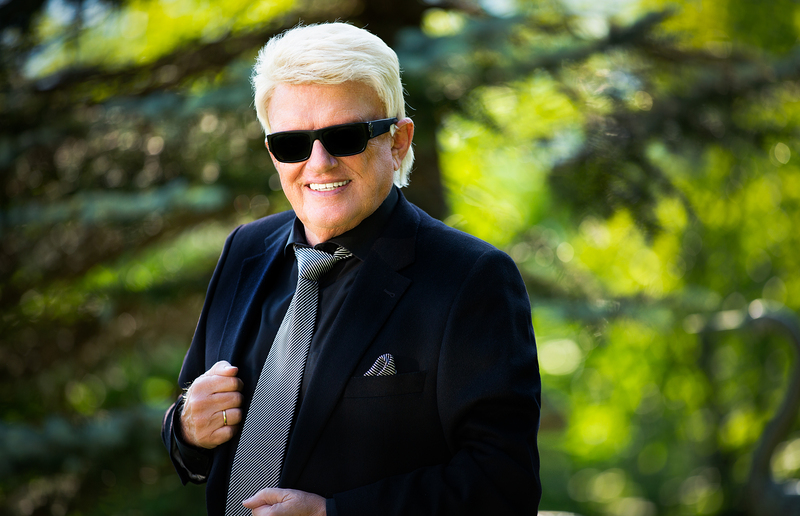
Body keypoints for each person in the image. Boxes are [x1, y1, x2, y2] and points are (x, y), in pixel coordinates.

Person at [162, 22, 542, 516]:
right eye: (292, 143)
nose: (319, 163)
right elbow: (192, 419)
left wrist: (334, 514)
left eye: (345, 137)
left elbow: (504, 485)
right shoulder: (244, 249)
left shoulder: (472, 277)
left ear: (398, 141)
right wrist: (186, 428)